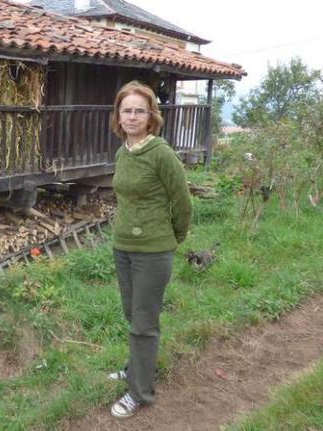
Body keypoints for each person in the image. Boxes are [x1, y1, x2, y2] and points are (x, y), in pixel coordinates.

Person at [106, 81, 192, 418]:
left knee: (144, 322)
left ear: (150, 115)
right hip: (123, 247)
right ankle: (136, 367)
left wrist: (171, 239)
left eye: (139, 110)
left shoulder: (161, 154)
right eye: (126, 110)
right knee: (133, 315)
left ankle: (139, 392)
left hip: (153, 252)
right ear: (118, 115)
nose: (131, 116)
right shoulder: (122, 152)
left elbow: (182, 203)